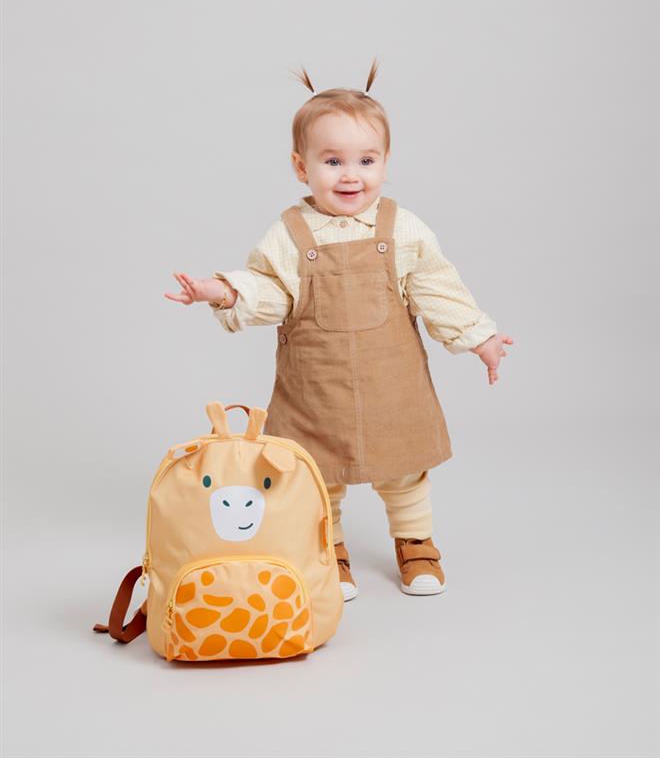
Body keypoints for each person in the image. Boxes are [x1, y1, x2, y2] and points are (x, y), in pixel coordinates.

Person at [165, 61, 513, 600]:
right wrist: (223, 291)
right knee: (317, 475)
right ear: (300, 166)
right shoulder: (289, 233)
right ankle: (329, 550)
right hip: (316, 390)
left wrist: (478, 338)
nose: (351, 176)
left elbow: (437, 289)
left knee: (404, 471)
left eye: (366, 161)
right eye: (333, 161)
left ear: (386, 163)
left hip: (391, 386)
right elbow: (271, 291)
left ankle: (416, 543)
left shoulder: (403, 228)